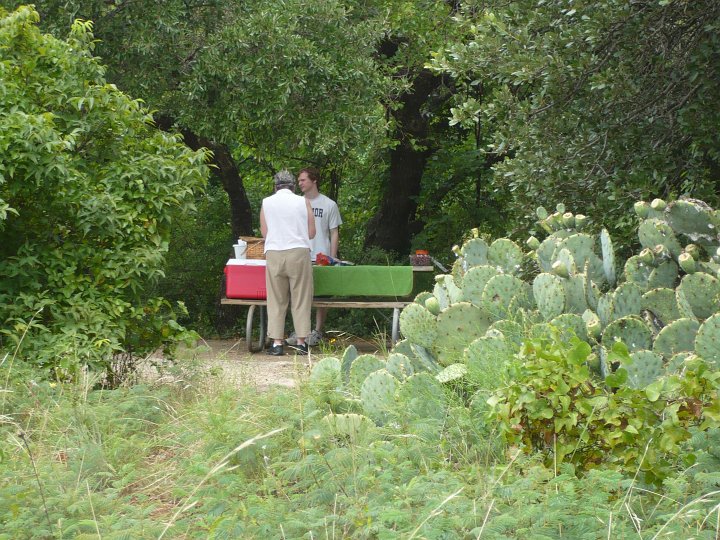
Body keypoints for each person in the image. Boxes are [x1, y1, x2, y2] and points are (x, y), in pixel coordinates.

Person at [260, 169, 316, 356]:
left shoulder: (266, 203)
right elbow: (311, 232)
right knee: (300, 298)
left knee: (276, 298)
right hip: (298, 252)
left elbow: (265, 233)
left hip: (275, 252)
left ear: (275, 186)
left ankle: (277, 343)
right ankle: (301, 342)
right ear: (293, 186)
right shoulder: (303, 201)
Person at [286, 167, 343, 347]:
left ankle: (317, 331)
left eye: (303, 180)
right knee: (299, 294)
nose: (300, 183)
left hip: (322, 256)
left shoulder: (329, 204)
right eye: (299, 180)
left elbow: (334, 233)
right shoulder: (296, 203)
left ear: (314, 180)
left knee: (322, 295)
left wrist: (332, 257)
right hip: (300, 254)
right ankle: (300, 331)